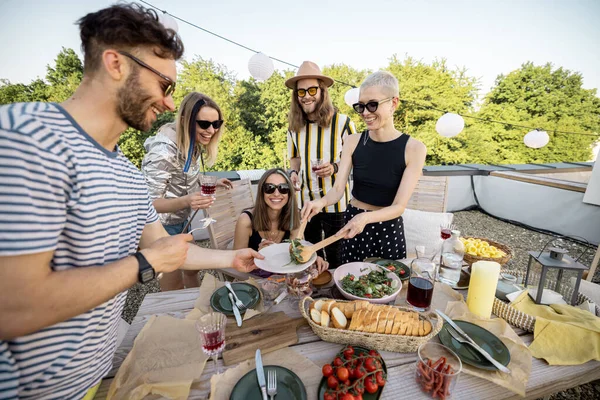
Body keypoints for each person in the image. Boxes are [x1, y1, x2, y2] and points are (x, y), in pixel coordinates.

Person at [0, 5, 261, 400]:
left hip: (100, 375)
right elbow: (13, 308)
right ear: (115, 63)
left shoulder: (124, 171)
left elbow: (165, 249)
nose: (171, 105)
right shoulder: (28, 137)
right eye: (165, 85)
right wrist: (145, 264)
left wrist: (233, 259)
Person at [301, 71, 426, 263]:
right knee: (348, 285)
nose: (365, 113)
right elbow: (336, 190)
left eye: (372, 105)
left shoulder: (414, 149)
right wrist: (320, 203)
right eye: (361, 106)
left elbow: (399, 206)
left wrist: (366, 218)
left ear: (393, 103)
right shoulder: (352, 141)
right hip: (353, 222)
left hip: (387, 229)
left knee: (384, 287)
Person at [142, 92, 233, 291]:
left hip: (181, 221)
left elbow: (181, 179)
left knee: (192, 270)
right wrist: (187, 201)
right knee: (172, 285)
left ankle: (195, 310)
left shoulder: (192, 144)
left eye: (216, 124)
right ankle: (179, 319)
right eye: (204, 124)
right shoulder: (163, 151)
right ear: (186, 120)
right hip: (162, 227)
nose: (211, 130)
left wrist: (212, 183)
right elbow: (148, 204)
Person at [286, 61, 357, 269]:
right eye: (301, 92)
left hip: (336, 203)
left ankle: (336, 296)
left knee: (337, 255)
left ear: (322, 92)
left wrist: (335, 167)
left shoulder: (343, 122)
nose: (306, 95)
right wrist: (293, 172)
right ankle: (313, 293)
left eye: (312, 90)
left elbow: (355, 159)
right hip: (306, 202)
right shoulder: (293, 126)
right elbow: (295, 158)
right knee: (309, 254)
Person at [233, 168, 329, 277]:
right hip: (254, 279)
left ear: (289, 193)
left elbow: (295, 254)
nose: (276, 193)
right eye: (269, 188)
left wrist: (312, 259)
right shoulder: (246, 220)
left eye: (283, 188)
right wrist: (259, 256)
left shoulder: (295, 216)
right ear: (261, 192)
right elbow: (237, 264)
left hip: (285, 279)